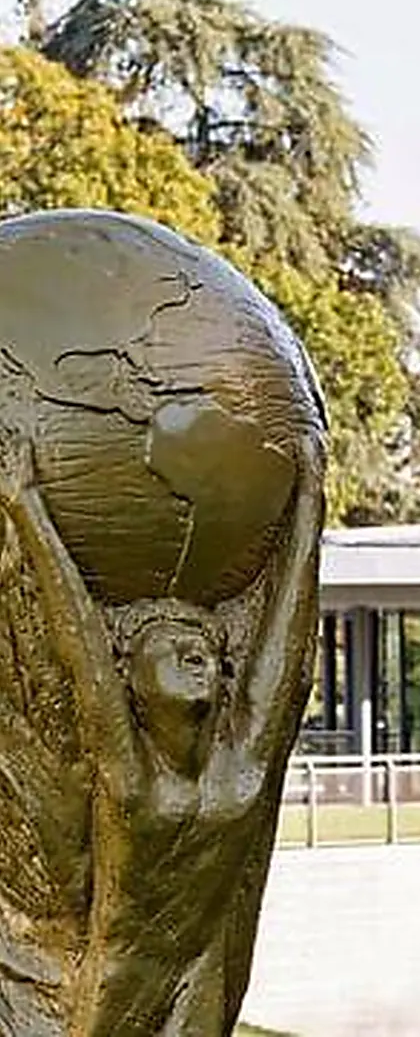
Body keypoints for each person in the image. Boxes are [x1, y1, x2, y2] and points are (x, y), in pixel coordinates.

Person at [0, 417, 322, 1035]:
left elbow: (286, 660)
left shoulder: (242, 764)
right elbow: (83, 647)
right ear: (132, 676)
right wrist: (28, 507)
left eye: (207, 648)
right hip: (120, 980)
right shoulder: (129, 775)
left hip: (202, 972)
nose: (200, 652)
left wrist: (308, 502)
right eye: (173, 644)